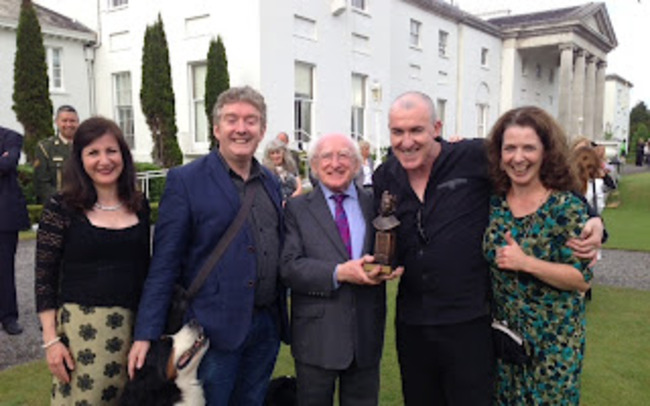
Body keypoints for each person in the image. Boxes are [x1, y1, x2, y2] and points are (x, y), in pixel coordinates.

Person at [372, 91, 603, 405]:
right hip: (413, 322)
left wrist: (594, 219)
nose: (406, 141)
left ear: (436, 128)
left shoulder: (472, 156)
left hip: (471, 323)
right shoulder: (385, 175)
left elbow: (541, 182)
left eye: (416, 130)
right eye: (398, 131)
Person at [128, 86, 288, 405]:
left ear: (262, 129)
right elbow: (163, 266)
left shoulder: (270, 182)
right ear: (216, 129)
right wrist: (145, 334)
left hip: (265, 326)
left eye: (250, 120)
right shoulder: (185, 181)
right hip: (211, 331)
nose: (241, 128)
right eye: (231, 120)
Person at [35, 117, 150, 404]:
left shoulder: (139, 203)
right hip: (84, 335)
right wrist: (51, 342)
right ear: (80, 159)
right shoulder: (61, 207)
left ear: (123, 154)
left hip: (136, 331)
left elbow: (145, 269)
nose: (104, 160)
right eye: (93, 153)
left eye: (111, 151)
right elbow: (43, 280)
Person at [281, 133, 402, 406]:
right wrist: (338, 273)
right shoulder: (297, 209)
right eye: (326, 156)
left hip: (365, 337)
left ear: (357, 164)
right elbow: (289, 267)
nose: (335, 163)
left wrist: (392, 266)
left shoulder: (374, 204)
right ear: (313, 165)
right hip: (316, 338)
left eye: (344, 156)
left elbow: (389, 249)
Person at [483, 106, 592, 404]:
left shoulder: (565, 207)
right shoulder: (493, 204)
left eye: (529, 148)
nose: (518, 158)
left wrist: (525, 263)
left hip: (553, 350)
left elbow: (581, 279)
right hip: (503, 346)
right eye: (510, 148)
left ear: (546, 151)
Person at [0, 126, 31, 336]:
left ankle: (9, 316)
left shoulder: (11, 137)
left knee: (4, 268)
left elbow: (7, 164)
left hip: (4, 216)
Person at [33, 105, 80, 203]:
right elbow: (42, 184)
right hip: (58, 205)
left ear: (78, 123)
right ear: (57, 122)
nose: (68, 124)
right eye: (64, 121)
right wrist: (61, 202)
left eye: (72, 121)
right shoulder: (45, 148)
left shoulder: (86, 146)